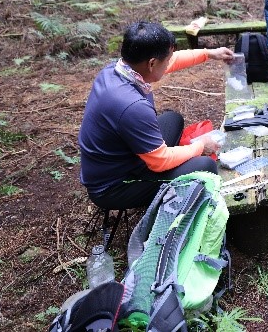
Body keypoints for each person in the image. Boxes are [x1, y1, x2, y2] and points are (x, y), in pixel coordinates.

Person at [78, 21, 235, 210]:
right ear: (152, 63)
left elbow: (173, 60)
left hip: (124, 157)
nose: (170, 62)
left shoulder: (118, 70)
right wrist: (201, 146)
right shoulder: (131, 106)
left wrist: (209, 54)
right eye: (166, 60)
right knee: (205, 166)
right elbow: (161, 161)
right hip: (114, 185)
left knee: (172, 120)